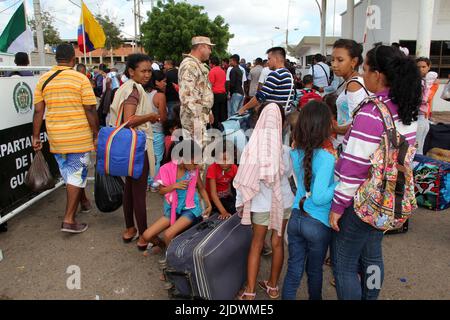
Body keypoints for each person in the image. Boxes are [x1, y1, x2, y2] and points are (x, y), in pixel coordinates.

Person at [329, 45, 421, 300]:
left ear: (378, 75)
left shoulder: (371, 113)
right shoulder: (406, 111)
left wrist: (338, 206)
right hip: (388, 200)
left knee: (344, 265)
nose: (363, 75)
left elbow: (353, 168)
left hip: (361, 202)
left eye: (365, 69)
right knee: (372, 257)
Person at [32, 43, 99, 234]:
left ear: (56, 59)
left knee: (71, 174)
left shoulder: (43, 80)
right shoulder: (80, 79)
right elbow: (90, 109)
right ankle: (69, 219)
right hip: (78, 137)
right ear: (73, 59)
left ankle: (84, 202)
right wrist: (96, 133)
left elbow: (38, 111)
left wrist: (36, 136)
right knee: (76, 174)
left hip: (56, 137)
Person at [234, 102, 294, 300]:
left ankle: (250, 291)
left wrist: (241, 202)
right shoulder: (285, 150)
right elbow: (291, 175)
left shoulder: (251, 148)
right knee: (277, 243)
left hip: (260, 204)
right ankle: (273, 286)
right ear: (281, 124)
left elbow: (244, 179)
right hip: (283, 201)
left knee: (256, 245)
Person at [282, 101, 338, 300]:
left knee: (294, 270)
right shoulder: (326, 158)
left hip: (295, 218)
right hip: (317, 223)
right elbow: (321, 196)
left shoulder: (295, 153)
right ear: (324, 127)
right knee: (314, 271)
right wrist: (340, 185)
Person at [108, 53, 160, 250]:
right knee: (138, 192)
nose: (147, 74)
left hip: (126, 147)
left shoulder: (125, 88)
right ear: (131, 71)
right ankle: (144, 235)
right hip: (136, 147)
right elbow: (129, 120)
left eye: (149, 71)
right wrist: (151, 116)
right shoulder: (133, 90)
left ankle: (130, 229)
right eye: (143, 71)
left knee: (129, 190)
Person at [142, 139, 212, 258]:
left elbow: (201, 188)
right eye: (194, 162)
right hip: (173, 208)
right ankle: (164, 246)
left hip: (191, 208)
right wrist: (174, 186)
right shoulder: (167, 169)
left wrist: (208, 204)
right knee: (147, 235)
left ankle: (173, 265)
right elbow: (161, 191)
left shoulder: (193, 170)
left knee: (168, 234)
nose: (197, 165)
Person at [331, 39, 369, 151]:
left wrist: (335, 129)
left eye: (340, 60)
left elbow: (357, 123)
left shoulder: (353, 84)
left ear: (354, 62)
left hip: (349, 145)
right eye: (332, 60)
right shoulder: (354, 81)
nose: (334, 64)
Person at [178, 36, 215, 150]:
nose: (210, 51)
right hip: (194, 119)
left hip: (198, 117)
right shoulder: (190, 65)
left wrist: (208, 111)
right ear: (201, 47)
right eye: (209, 47)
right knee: (196, 156)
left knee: (200, 153)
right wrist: (198, 118)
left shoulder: (196, 64)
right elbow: (186, 96)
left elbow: (202, 91)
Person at [238, 47, 295, 116]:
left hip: (273, 116)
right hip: (282, 116)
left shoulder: (276, 74)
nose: (267, 62)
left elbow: (260, 97)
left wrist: (244, 108)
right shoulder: (288, 74)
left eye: (269, 59)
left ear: (276, 59)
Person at [144, 70, 168, 191]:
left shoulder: (142, 93)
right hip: (157, 132)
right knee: (156, 159)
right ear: (156, 82)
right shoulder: (160, 96)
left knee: (146, 158)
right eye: (163, 81)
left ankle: (145, 183)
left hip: (143, 131)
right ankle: (153, 184)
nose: (165, 84)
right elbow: (163, 117)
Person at [206, 141, 238, 220]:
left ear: (233, 157)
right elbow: (213, 194)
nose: (224, 163)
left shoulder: (234, 168)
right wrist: (223, 211)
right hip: (214, 200)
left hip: (226, 196)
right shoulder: (212, 168)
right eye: (220, 159)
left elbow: (239, 187)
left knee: (237, 208)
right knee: (231, 210)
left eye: (227, 159)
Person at [416, 57, 440, 155]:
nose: (421, 69)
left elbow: (426, 99)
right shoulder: (414, 80)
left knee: (417, 148)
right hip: (413, 116)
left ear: (429, 67)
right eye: (418, 67)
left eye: (423, 67)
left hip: (421, 117)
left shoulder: (431, 83)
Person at [208, 56, 227, 128]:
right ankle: (222, 129)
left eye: (209, 63)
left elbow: (210, 85)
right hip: (223, 94)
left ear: (213, 64)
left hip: (216, 95)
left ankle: (215, 131)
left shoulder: (212, 71)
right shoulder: (222, 71)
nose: (209, 65)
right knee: (222, 115)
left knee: (215, 114)